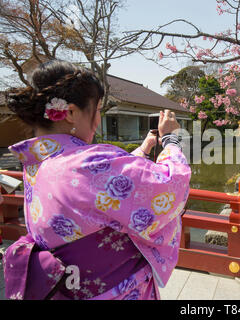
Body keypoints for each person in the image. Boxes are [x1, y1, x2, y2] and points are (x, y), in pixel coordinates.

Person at [2, 60, 191, 300]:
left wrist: (143, 149)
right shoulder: (87, 163)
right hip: (113, 292)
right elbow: (171, 185)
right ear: (70, 112)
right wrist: (171, 141)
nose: (98, 119)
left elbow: (97, 191)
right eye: (97, 109)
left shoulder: (37, 162)